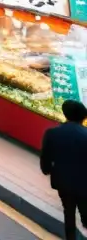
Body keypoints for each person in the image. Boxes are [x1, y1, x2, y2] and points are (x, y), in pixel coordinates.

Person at [40, 100, 87, 240]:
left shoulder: (52, 133)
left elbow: (46, 156)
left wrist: (46, 169)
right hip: (84, 183)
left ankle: (70, 237)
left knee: (69, 211)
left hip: (62, 181)